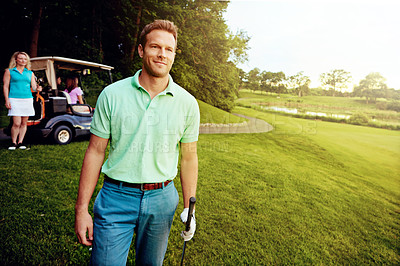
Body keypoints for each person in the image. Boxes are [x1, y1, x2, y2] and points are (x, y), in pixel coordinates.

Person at [74, 20, 200, 265]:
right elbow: (95, 152)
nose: (162, 54)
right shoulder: (112, 95)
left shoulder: (188, 103)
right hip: (115, 197)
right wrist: (81, 209)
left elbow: (188, 157)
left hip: (162, 199)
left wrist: (188, 207)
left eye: (169, 49)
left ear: (174, 54)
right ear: (142, 50)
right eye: (155, 47)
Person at [3, 51, 41, 150]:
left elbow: (33, 86)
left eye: (25, 59)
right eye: (20, 58)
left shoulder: (30, 73)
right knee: (16, 123)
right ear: (16, 60)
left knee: (24, 123)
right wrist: (7, 100)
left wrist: (37, 88)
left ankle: (20, 142)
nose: (23, 60)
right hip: (14, 99)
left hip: (27, 99)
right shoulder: (9, 71)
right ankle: (13, 143)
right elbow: (6, 86)